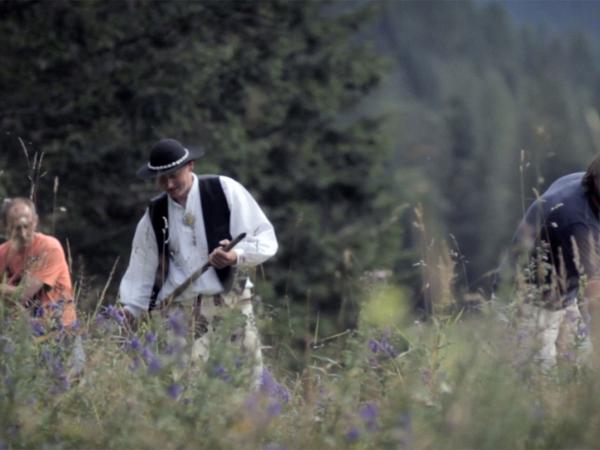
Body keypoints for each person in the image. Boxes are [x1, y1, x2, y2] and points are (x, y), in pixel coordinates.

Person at [119, 138, 278, 386]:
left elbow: (265, 239)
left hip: (232, 302)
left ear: (190, 166)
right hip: (181, 311)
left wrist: (234, 256)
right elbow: (141, 270)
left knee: (245, 382)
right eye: (161, 178)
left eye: (174, 175)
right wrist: (131, 310)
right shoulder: (154, 214)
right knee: (187, 388)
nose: (169, 184)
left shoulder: (224, 190)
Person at [508, 156, 600, 370]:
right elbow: (595, 294)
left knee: (582, 369)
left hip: (563, 300)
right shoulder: (579, 222)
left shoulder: (582, 182)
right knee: (540, 382)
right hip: (529, 306)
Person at [0, 197, 77, 328]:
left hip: (58, 331)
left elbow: (23, 294)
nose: (23, 234)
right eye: (16, 228)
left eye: (27, 226)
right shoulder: (2, 252)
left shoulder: (49, 248)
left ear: (35, 221)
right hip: (19, 331)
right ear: (4, 226)